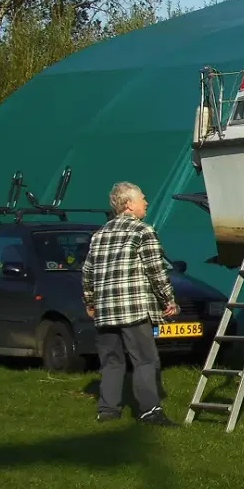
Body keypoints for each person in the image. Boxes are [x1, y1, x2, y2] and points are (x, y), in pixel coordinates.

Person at [82, 181, 179, 426]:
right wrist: (168, 300)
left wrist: (90, 301)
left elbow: (87, 271)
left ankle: (107, 410)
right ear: (128, 205)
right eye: (142, 198)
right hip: (133, 309)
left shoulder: (99, 235)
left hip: (105, 311)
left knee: (112, 361)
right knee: (145, 360)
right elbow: (156, 271)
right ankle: (149, 411)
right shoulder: (142, 231)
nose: (146, 202)